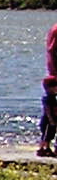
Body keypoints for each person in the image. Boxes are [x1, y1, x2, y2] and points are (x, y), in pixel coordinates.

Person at [40, 17, 57, 156]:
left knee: (49, 114)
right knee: (50, 114)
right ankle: (46, 146)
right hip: (54, 77)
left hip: (53, 76)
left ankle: (45, 145)